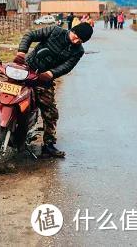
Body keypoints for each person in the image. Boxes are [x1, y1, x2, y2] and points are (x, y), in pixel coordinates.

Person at [14, 22, 93, 158]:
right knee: (6, 92)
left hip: (44, 79)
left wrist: (51, 74)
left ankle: (48, 145)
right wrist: (22, 52)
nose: (76, 41)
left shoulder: (78, 51)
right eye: (76, 36)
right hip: (27, 69)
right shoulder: (55, 31)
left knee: (51, 112)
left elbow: (67, 66)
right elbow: (30, 35)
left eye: (80, 40)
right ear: (72, 30)